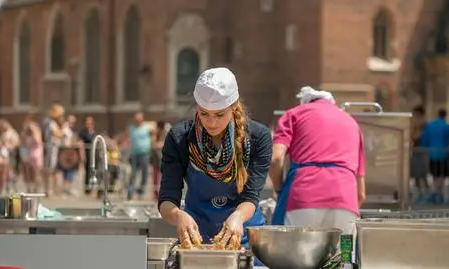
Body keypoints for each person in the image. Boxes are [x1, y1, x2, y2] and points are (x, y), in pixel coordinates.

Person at [158, 67, 272, 261]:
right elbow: (167, 198)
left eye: (219, 115)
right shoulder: (180, 138)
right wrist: (178, 216)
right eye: (204, 114)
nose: (211, 123)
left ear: (234, 107)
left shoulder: (258, 137)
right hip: (197, 241)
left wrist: (237, 217)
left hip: (244, 238)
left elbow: (251, 196)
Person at [269, 86, 366, 235]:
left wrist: (279, 190)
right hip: (346, 203)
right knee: (344, 257)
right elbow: (361, 194)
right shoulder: (352, 123)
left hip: (303, 198)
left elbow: (275, 159)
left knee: (293, 256)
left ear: (305, 103)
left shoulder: (294, 114)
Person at [420, 108, 449, 204]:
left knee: (434, 174)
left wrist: (424, 149)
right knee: (441, 174)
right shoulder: (447, 127)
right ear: (445, 116)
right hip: (443, 154)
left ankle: (436, 192)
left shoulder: (430, 126)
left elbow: (424, 139)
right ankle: (437, 193)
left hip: (432, 153)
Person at [127, 112, 151, 200]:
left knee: (145, 174)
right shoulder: (131, 128)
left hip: (144, 153)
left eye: (139, 118)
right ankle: (130, 193)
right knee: (133, 174)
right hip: (134, 154)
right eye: (136, 119)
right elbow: (126, 138)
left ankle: (141, 191)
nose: (137, 120)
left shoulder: (146, 127)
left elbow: (156, 130)